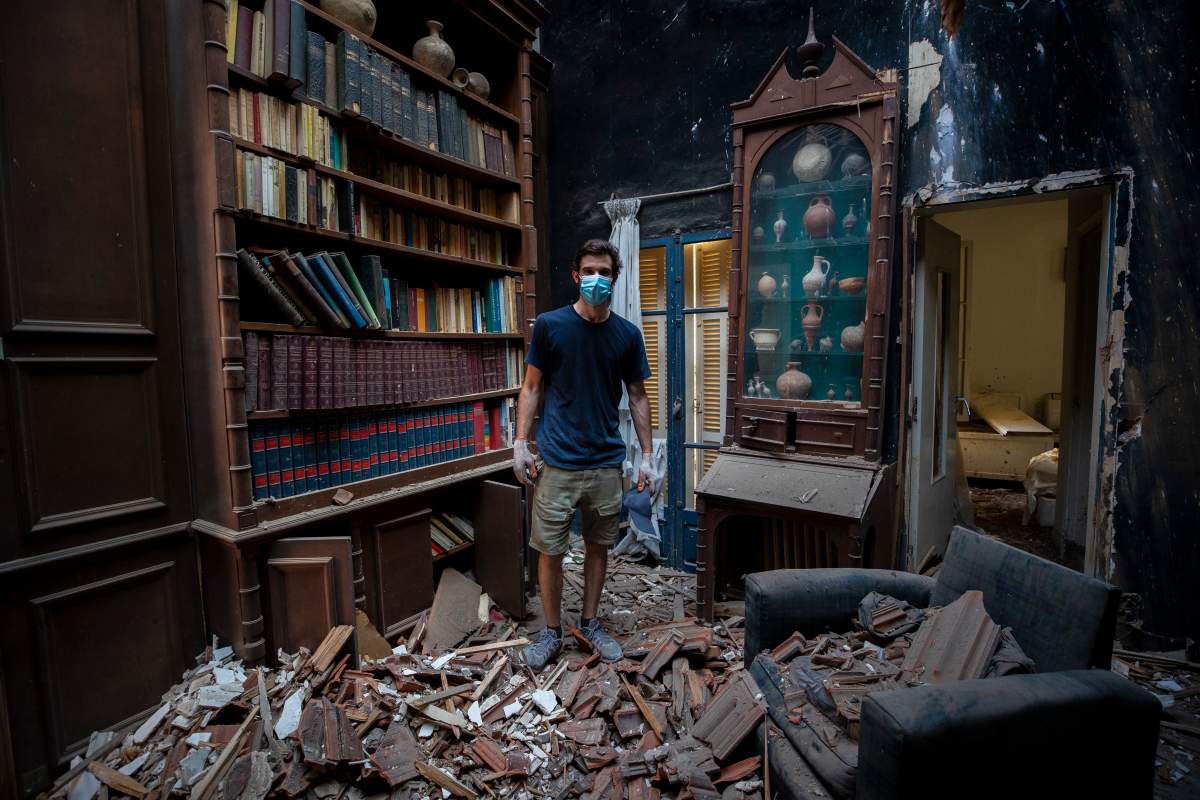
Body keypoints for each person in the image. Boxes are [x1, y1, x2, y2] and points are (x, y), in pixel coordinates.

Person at [514, 239, 656, 669]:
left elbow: (637, 396)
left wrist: (648, 455)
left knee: (599, 546)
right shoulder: (551, 327)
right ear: (576, 276)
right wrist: (521, 442)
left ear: (615, 277)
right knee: (550, 550)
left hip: (605, 463)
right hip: (557, 461)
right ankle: (552, 632)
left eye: (605, 272)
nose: (597, 279)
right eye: (589, 271)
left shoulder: (626, 335)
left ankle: (590, 622)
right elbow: (532, 387)